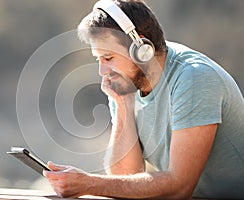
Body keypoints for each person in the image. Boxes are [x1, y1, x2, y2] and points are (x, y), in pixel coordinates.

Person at [43, 0, 244, 199]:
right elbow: (125, 179)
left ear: (141, 49)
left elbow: (180, 187)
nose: (102, 71)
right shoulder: (127, 81)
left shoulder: (195, 78)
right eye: (99, 59)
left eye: (109, 58)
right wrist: (123, 104)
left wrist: (89, 184)